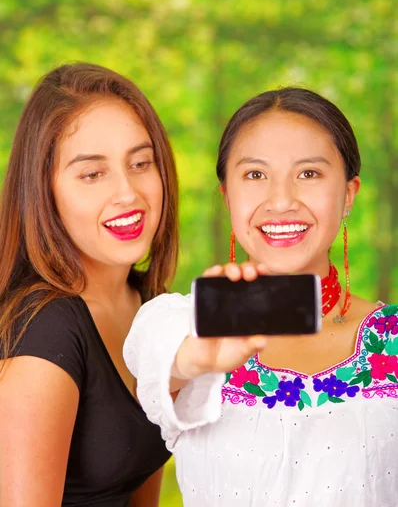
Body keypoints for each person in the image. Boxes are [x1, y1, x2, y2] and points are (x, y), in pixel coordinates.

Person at [124, 87, 398, 506]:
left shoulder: (393, 338)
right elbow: (158, 358)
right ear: (227, 195)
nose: (282, 200)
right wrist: (199, 357)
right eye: (255, 175)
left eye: (309, 174)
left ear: (348, 194)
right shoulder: (177, 323)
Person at [0, 63, 179, 507]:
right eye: (92, 174)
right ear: (44, 191)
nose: (127, 193)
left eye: (140, 163)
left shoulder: (149, 307)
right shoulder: (45, 330)